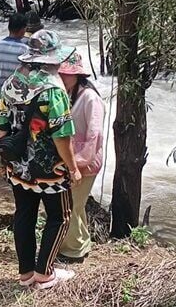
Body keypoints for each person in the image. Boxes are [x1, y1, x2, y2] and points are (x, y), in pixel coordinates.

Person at [0, 29, 80, 289]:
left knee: (24, 214)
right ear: (53, 60)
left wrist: (2, 162)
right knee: (60, 216)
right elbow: (62, 135)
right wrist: (73, 168)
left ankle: (26, 274)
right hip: (49, 169)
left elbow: (2, 127)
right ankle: (45, 273)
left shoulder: (10, 83)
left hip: (19, 166)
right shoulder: (54, 90)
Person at [56, 52, 105, 263]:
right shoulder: (68, 94)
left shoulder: (90, 98)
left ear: (77, 76)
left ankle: (72, 251)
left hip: (86, 161)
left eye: (65, 74)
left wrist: (78, 164)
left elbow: (95, 136)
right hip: (72, 159)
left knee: (71, 204)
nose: (62, 78)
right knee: (75, 204)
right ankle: (81, 242)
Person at [0, 13, 29, 123]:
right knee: (16, 133)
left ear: (9, 27)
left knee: (0, 131)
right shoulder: (26, 51)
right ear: (23, 29)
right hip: (18, 101)